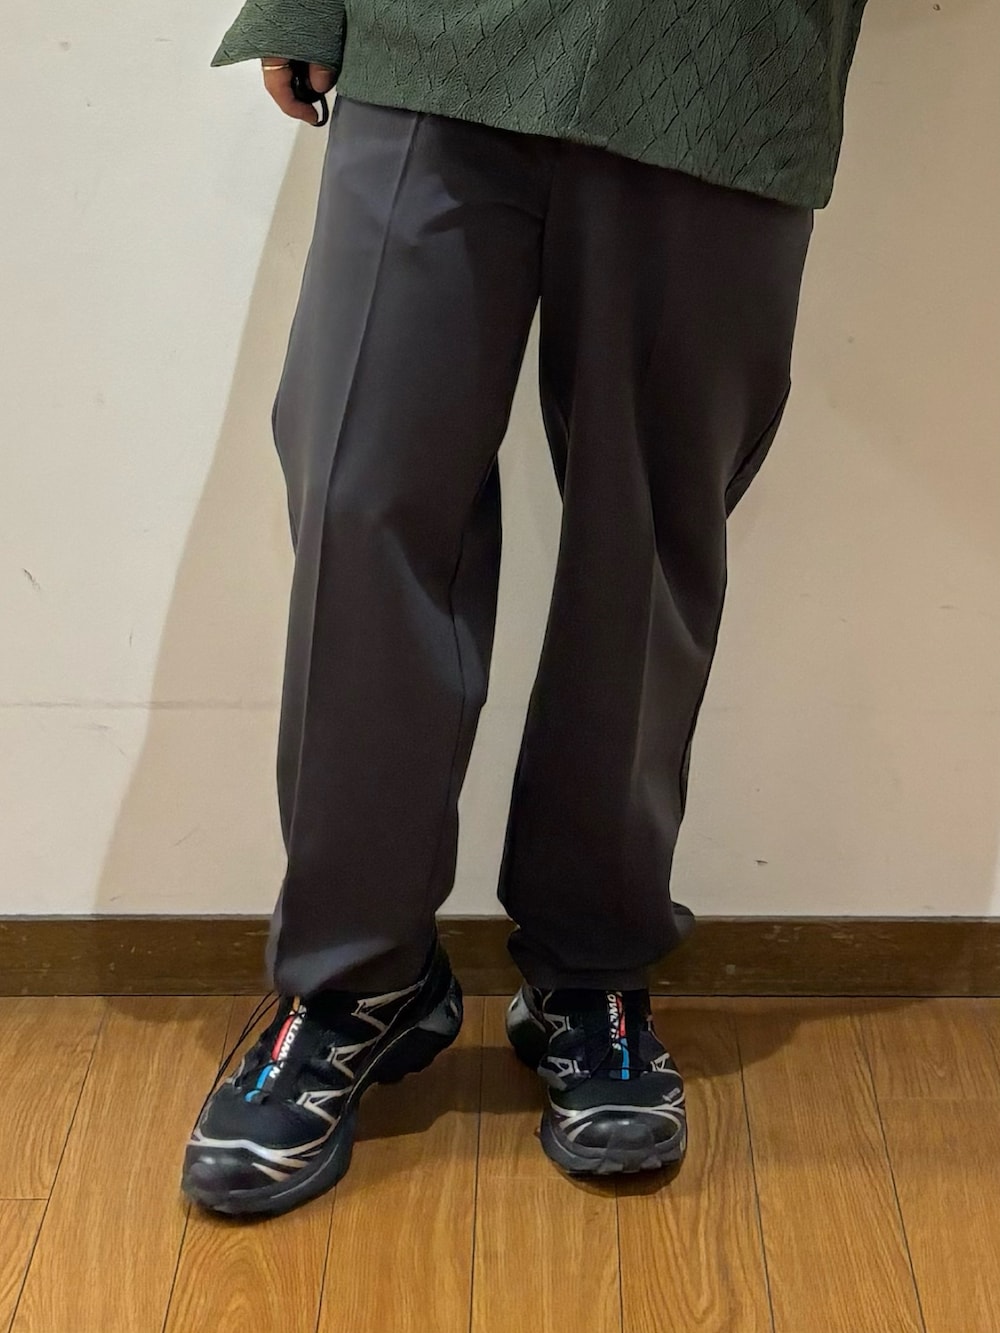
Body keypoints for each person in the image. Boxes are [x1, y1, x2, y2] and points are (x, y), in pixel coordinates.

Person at [182, 0, 869, 1218]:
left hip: (726, 57)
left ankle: (589, 972)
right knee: (362, 495)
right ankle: (354, 980)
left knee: (642, 538)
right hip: (435, 37)